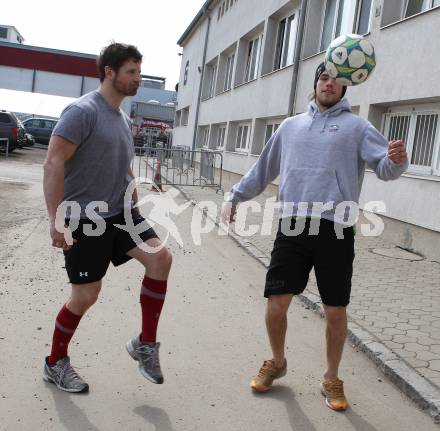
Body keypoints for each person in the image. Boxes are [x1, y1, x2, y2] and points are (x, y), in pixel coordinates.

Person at [222, 62, 408, 411]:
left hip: (336, 229)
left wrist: (398, 160)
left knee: (335, 311)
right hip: (292, 225)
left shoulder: (357, 127)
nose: (329, 84)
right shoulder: (291, 127)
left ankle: (331, 378)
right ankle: (277, 363)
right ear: (316, 83)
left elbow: (386, 167)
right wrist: (234, 196)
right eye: (324, 77)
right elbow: (263, 169)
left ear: (344, 89)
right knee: (276, 304)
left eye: (337, 81)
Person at [42, 43, 172, 393]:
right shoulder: (82, 112)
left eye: (139, 72)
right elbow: (53, 162)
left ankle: (145, 344)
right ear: (109, 72)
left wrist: (134, 197)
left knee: (160, 258)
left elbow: (124, 164)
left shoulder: (123, 118)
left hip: (122, 215)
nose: (137, 79)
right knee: (86, 296)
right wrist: (57, 221)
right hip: (85, 219)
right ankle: (55, 362)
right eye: (131, 72)